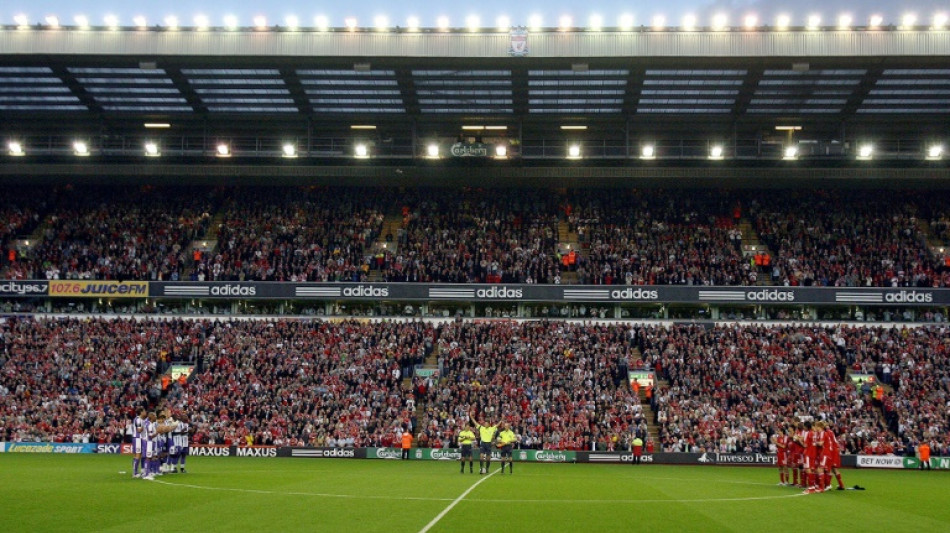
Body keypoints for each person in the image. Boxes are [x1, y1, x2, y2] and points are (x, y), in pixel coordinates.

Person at [818, 421, 845, 490]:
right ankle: (840, 485)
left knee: (828, 468)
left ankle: (828, 485)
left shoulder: (826, 432)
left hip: (832, 451)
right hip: (834, 449)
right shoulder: (830, 432)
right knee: (833, 468)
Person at [470, 410, 499, 475]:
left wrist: (502, 420)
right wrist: (471, 417)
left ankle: (487, 468)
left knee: (488, 458)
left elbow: (497, 425)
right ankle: (481, 468)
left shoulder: (492, 428)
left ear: (489, 424)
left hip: (488, 444)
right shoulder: (481, 428)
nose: (485, 424)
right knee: (481, 456)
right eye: (485, 423)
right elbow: (475, 423)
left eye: (486, 423)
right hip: (483, 443)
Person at [132, 409, 147, 479]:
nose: (145, 412)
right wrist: (145, 425)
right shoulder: (138, 419)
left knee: (137, 455)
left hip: (138, 438)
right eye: (144, 411)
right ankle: (135, 473)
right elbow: (139, 430)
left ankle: (135, 471)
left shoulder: (141, 419)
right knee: (138, 455)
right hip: (137, 438)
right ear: (141, 412)